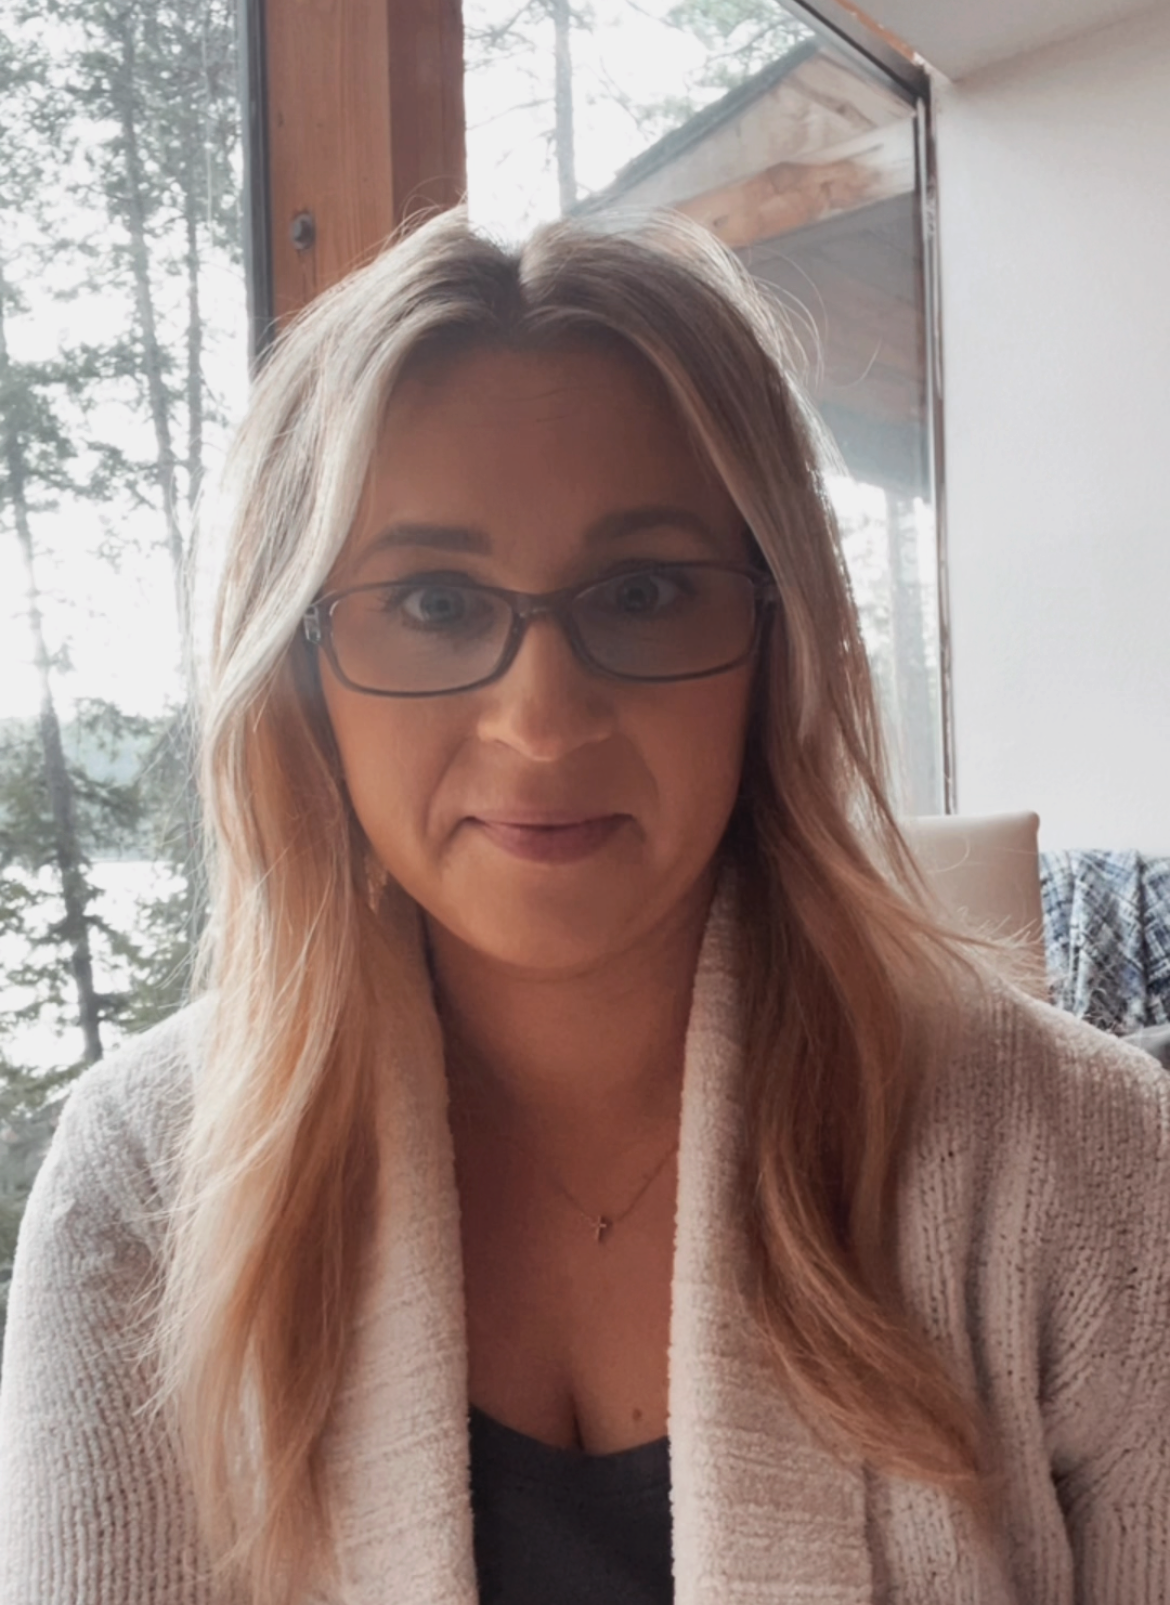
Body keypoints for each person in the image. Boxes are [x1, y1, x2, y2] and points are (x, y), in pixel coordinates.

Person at [0, 208, 1167, 1605]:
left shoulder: (1089, 1163)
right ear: (301, 667)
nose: (542, 720)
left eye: (643, 590)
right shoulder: (141, 1187)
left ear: (773, 644)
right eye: (434, 601)